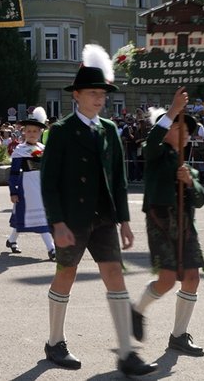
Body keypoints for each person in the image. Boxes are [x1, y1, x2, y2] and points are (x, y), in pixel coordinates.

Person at [40, 44, 156, 376]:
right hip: (71, 219)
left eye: (102, 93)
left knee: (115, 276)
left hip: (103, 217)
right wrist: (57, 223)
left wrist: (124, 221)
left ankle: (125, 352)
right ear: (76, 95)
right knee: (67, 274)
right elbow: (48, 183)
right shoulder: (61, 132)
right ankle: (54, 341)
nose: (100, 98)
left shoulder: (109, 131)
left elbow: (118, 179)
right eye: (93, 93)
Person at [133, 87, 204, 357]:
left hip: (186, 226)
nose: (187, 132)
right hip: (160, 221)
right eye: (181, 127)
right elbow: (151, 143)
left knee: (192, 278)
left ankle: (178, 336)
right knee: (165, 281)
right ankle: (137, 310)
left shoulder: (189, 167)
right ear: (168, 131)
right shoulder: (155, 154)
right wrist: (173, 110)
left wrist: (190, 183)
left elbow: (199, 199)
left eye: (189, 129)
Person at [6, 107, 55, 261]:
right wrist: (13, 192)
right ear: (24, 132)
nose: (32, 134)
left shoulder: (43, 149)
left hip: (41, 187)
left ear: (40, 133)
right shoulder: (20, 150)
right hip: (26, 187)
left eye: (35, 131)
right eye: (29, 131)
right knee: (36, 218)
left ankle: (12, 240)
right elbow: (14, 173)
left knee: (26, 217)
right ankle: (52, 249)